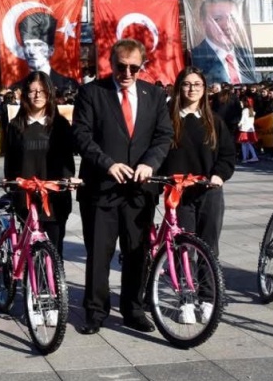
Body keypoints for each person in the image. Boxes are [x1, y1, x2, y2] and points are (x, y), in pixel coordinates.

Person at [71, 38, 172, 335]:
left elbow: (163, 136)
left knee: (137, 252)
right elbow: (81, 135)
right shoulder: (92, 93)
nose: (126, 73)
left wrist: (150, 164)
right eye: (120, 66)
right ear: (111, 64)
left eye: (133, 67)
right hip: (102, 188)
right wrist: (107, 164)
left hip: (140, 190)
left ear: (143, 66)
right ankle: (95, 310)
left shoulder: (154, 95)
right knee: (99, 253)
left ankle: (133, 308)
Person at [158, 67, 235, 323]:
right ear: (179, 88)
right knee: (183, 248)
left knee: (209, 248)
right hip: (179, 193)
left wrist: (219, 175)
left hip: (208, 191)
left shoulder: (214, 121)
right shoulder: (168, 119)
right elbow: (158, 154)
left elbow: (227, 156)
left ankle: (208, 297)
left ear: (204, 90)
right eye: (187, 85)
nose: (192, 89)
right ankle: (186, 299)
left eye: (197, 85)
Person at [2, 71, 77, 257]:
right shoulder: (15, 126)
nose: (37, 95)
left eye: (42, 91)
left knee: (54, 246)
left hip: (54, 195)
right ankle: (31, 282)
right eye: (32, 91)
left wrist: (69, 179)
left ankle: (54, 283)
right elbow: (10, 159)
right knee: (30, 247)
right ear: (25, 94)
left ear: (50, 93)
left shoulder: (60, 125)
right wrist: (9, 181)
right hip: (25, 194)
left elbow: (68, 159)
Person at [190, 0, 258, 85]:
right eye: (217, 19)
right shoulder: (195, 57)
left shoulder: (246, 55)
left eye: (232, 18)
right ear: (203, 23)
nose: (227, 26)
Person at [11, 12, 79, 93]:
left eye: (38, 45)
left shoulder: (68, 84)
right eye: (27, 45)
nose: (31, 52)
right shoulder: (17, 87)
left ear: (51, 50)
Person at [237, 97, 259, 163]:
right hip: (250, 129)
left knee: (244, 144)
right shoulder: (251, 110)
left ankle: (246, 158)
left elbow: (242, 120)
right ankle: (250, 156)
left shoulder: (245, 110)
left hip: (244, 129)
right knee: (248, 143)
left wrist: (238, 125)